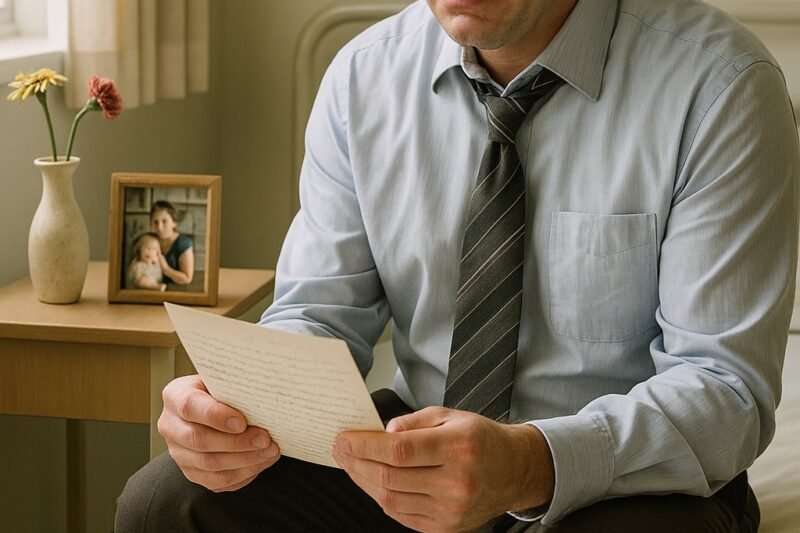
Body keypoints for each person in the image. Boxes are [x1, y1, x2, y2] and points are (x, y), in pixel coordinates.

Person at [116, 0, 800, 531]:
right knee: (164, 506)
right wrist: (240, 407)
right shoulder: (362, 78)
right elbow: (318, 313)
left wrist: (532, 462)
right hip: (414, 448)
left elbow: (724, 387)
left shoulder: (722, 87)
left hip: (629, 479)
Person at [150, 200, 194, 286]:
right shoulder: (149, 239)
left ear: (174, 222)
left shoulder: (183, 243)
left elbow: (187, 279)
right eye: (155, 222)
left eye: (164, 221)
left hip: (176, 293)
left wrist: (166, 269)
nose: (159, 227)